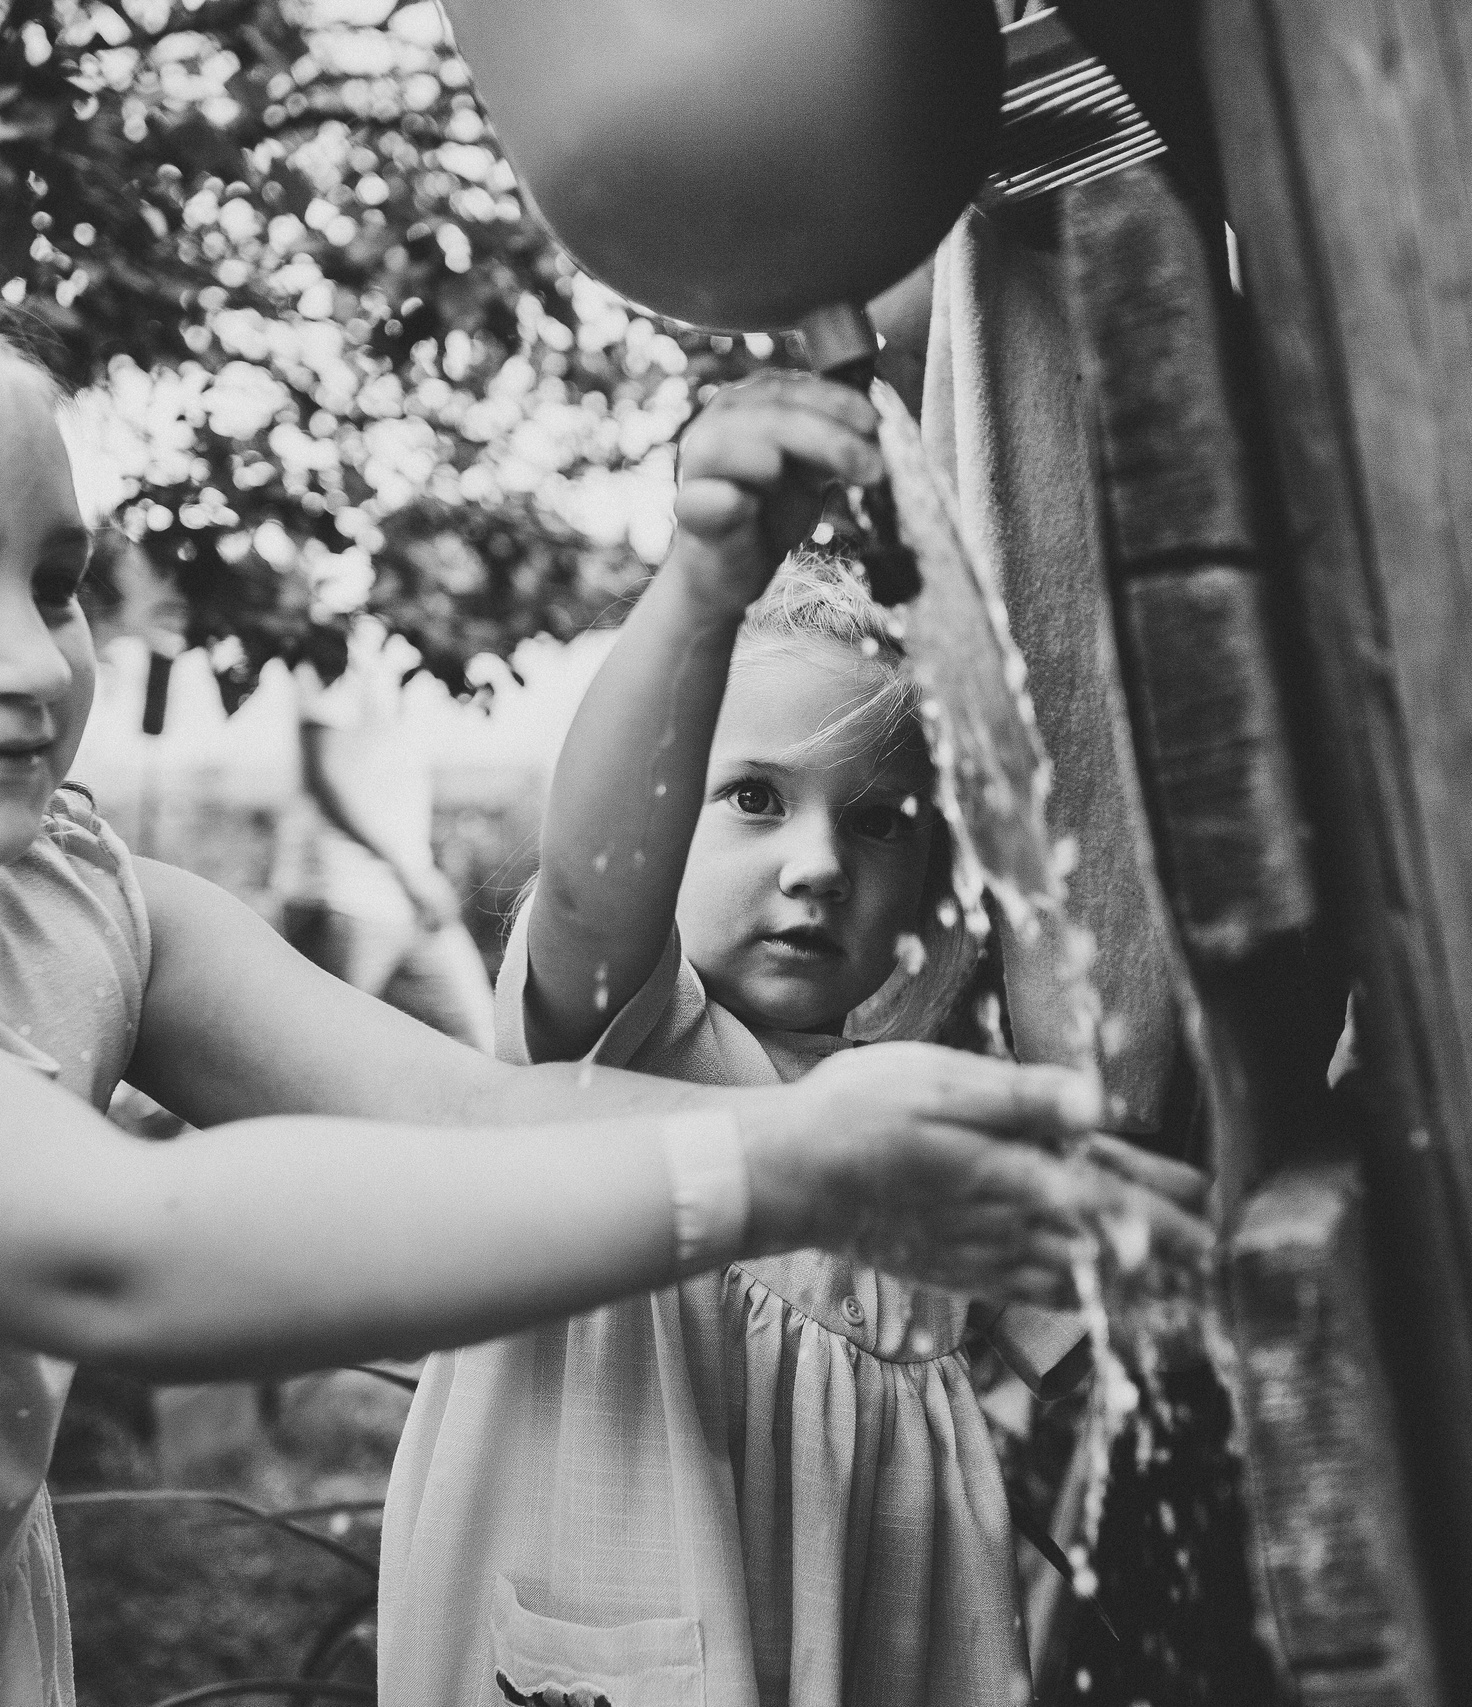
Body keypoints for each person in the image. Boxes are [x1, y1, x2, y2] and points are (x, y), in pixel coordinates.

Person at [0, 236, 1199, 1707]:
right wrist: (778, 1165)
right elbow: (119, 1250)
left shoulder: (83, 906)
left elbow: (473, 1114)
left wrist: (903, 1158)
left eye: (59, 582)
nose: (33, 661)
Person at [381, 374, 1149, 1707]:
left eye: (879, 818)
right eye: (751, 796)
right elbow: (591, 874)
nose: (817, 863)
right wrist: (699, 588)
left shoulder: (919, 1107)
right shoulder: (635, 1054)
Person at [284, 620, 496, 1051]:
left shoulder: (411, 653)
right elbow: (323, 777)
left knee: (481, 1044)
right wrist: (411, 871)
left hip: (411, 897)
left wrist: (423, 869)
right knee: (322, 1058)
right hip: (343, 897)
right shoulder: (333, 649)